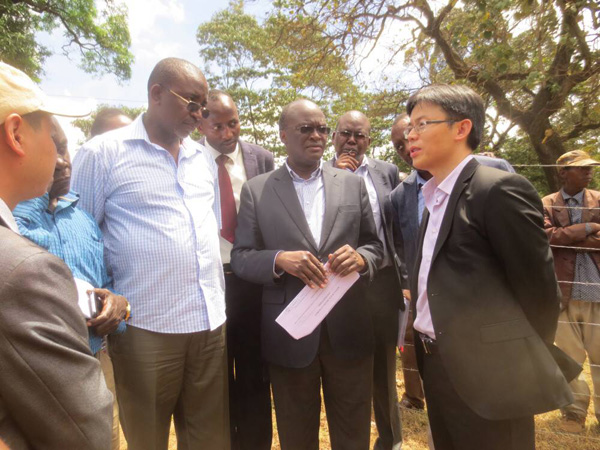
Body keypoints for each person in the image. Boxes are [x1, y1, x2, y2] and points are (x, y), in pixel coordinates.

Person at [397, 83, 576, 450]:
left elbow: (539, 290)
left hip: (493, 374)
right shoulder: (434, 197)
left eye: (422, 124)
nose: (410, 135)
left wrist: (511, 355)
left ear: (461, 128)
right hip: (438, 365)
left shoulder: (497, 189)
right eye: (409, 127)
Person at [72, 57, 229, 450]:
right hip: (145, 328)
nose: (198, 115)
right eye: (191, 103)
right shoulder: (102, 153)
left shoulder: (202, 159)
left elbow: (205, 230)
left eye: (203, 107)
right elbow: (80, 238)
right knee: (148, 439)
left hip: (209, 324)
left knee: (209, 439)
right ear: (156, 93)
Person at [231, 99, 383, 450]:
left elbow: (375, 246)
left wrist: (361, 259)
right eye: (306, 129)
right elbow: (241, 257)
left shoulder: (351, 184)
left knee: (353, 433)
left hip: (349, 329)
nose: (317, 135)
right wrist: (279, 259)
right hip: (290, 333)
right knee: (296, 434)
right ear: (283, 134)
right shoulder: (258, 190)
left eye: (322, 129)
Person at [0, 61, 112, 449]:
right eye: (51, 136)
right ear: (16, 134)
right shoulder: (22, 266)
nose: (61, 156)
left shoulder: (80, 218)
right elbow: (84, 430)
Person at [13, 117, 129, 450]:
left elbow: (105, 284)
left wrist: (118, 307)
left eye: (64, 148)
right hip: (32, 378)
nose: (63, 161)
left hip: (94, 364)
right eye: (51, 150)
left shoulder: (83, 218)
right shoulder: (11, 222)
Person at [390, 114, 517, 413]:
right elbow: (402, 246)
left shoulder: (494, 171)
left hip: (490, 329)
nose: (408, 147)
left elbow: (529, 262)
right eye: (399, 145)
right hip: (432, 329)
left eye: (415, 132)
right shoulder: (400, 196)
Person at [197, 89, 274, 450]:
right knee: (216, 373)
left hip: (251, 280)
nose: (228, 134)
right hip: (209, 280)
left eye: (234, 124)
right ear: (200, 124)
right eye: (218, 126)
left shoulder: (262, 158)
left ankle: (256, 442)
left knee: (255, 369)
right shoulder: (188, 159)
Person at [330, 110, 403, 450]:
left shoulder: (386, 171)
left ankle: (391, 441)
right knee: (346, 367)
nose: (351, 141)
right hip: (339, 286)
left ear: (368, 141)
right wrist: (335, 177)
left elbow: (397, 226)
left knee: (385, 370)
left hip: (382, 282)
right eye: (345, 133)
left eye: (359, 135)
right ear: (334, 136)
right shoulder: (320, 173)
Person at [542, 150, 600, 433]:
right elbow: (546, 237)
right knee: (570, 357)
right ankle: (574, 414)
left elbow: (558, 238)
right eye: (581, 168)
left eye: (590, 168)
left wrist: (567, 237)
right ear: (563, 172)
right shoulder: (547, 204)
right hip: (563, 292)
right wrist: (589, 228)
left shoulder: (599, 199)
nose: (589, 172)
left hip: (597, 292)